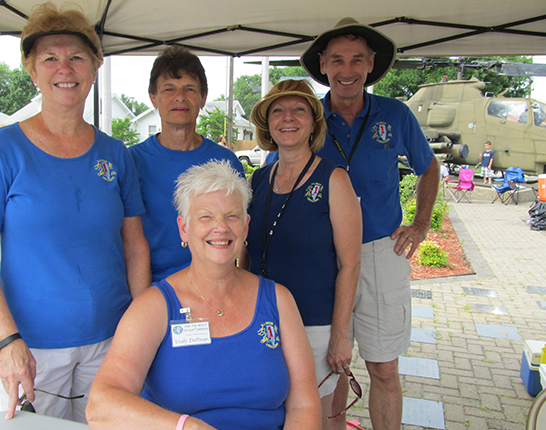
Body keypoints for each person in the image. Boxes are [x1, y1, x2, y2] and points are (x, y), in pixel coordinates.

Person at [0, 2, 151, 423]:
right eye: (49, 58)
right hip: (31, 348)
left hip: (111, 341)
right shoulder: (2, 150)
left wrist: (139, 327)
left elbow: (135, 246)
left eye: (77, 57)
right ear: (32, 71)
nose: (64, 68)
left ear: (93, 68)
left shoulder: (115, 154)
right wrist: (5, 340)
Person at [86, 160, 321, 430]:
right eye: (206, 217)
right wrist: (187, 427)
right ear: (184, 228)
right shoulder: (154, 307)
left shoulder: (278, 301)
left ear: (245, 227)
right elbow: (100, 407)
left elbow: (304, 405)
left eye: (231, 216)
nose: (220, 227)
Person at [300, 17, 440, 430]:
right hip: (324, 258)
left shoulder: (394, 114)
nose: (347, 70)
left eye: (357, 60)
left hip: (381, 251)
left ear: (371, 63)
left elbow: (428, 168)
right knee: (331, 369)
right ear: (323, 64)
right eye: (338, 60)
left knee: (383, 370)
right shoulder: (307, 116)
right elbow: (280, 175)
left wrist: (421, 224)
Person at [243, 79, 362, 429]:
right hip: (264, 322)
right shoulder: (258, 180)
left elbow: (350, 264)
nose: (288, 118)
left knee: (319, 419)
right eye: (278, 110)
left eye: (298, 109)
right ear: (268, 123)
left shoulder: (333, 179)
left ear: (313, 121)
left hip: (315, 325)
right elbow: (247, 257)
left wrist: (340, 334)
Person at [129, 46, 244, 282]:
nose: (179, 97)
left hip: (215, 289)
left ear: (203, 99)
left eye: (189, 89)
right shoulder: (132, 162)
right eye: (169, 89)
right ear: (153, 98)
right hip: (154, 290)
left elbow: (239, 236)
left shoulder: (226, 162)